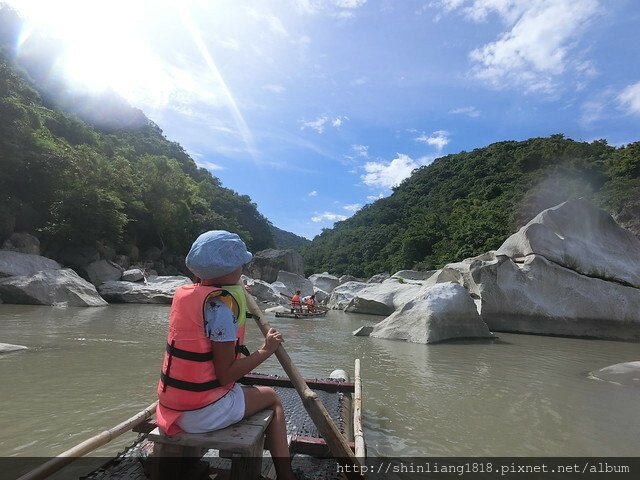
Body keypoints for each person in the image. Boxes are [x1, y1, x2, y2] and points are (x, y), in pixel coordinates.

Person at [156, 230, 295, 480]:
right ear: (232, 270)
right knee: (273, 398)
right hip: (199, 414)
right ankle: (287, 476)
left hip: (170, 407)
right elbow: (225, 375)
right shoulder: (220, 305)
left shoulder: (190, 293)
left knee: (244, 390)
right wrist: (267, 349)